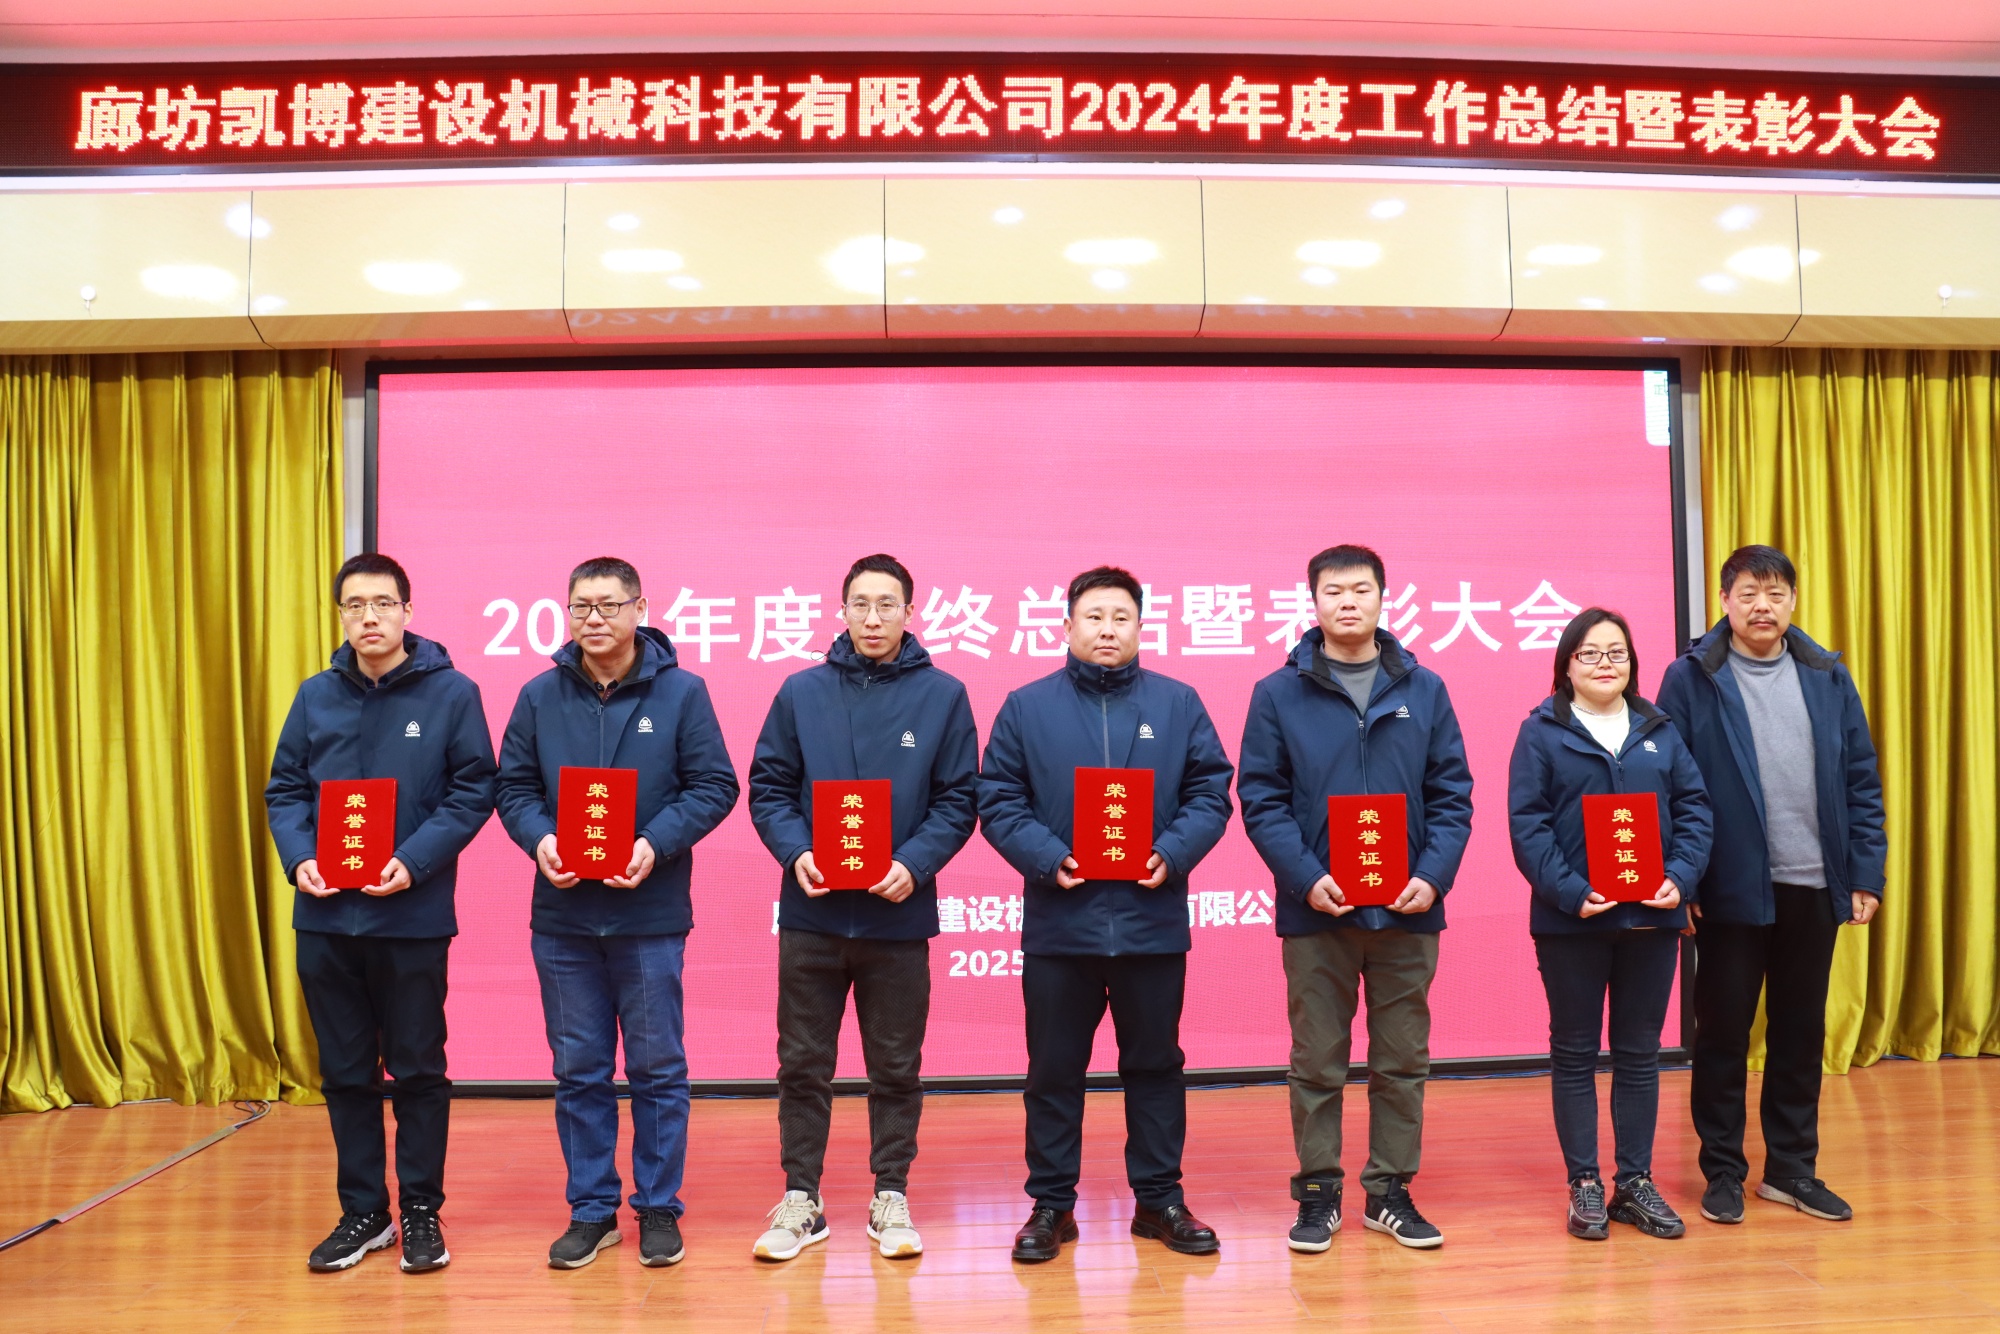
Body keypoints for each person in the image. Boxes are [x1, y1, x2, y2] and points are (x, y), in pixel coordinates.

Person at [978, 566, 1235, 1263]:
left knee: (1156, 1066)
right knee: (1053, 1070)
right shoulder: (1027, 707)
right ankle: (1051, 1205)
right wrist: (1048, 856)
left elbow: (1211, 792)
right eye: (1093, 617)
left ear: (1141, 627)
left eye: (1121, 617)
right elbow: (997, 797)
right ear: (1067, 626)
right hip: (1061, 924)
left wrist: (1171, 853)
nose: (1107, 630)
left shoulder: (1178, 703)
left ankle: (1159, 1200)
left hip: (1151, 921)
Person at [495, 556, 739, 1270]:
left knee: (658, 1068)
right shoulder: (539, 695)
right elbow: (512, 787)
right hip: (564, 916)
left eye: (608, 605)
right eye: (581, 607)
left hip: (649, 913)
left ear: (640, 609)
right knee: (579, 1070)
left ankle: (658, 1206)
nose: (593, 619)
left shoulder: (683, 692)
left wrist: (653, 844)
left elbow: (714, 785)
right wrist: (540, 839)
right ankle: (591, 1210)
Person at [265, 552, 498, 1275]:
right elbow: (285, 790)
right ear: (341, 615)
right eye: (354, 605)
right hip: (326, 919)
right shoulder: (315, 696)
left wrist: (415, 861)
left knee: (419, 1070)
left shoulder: (452, 692)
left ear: (407, 611)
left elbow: (474, 789)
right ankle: (364, 1212)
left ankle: (421, 1210)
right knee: (344, 1074)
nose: (369, 617)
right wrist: (299, 857)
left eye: (382, 604)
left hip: (411, 917)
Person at [1237, 544, 1473, 1252]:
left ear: (1381, 598)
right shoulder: (1278, 693)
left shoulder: (1424, 688)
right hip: (1317, 908)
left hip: (1408, 907)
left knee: (1402, 1059)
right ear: (1313, 602)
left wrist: (1432, 875)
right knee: (1318, 1060)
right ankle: (1318, 1192)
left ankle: (1390, 1191)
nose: (1348, 602)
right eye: (1334, 591)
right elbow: (1261, 798)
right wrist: (1306, 878)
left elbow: (1452, 794)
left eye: (1361, 589)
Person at [745, 554, 981, 1261]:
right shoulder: (801, 691)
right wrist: (796, 850)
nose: (872, 618)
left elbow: (959, 797)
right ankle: (802, 1198)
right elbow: (769, 786)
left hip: (897, 916)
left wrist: (915, 863)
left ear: (910, 612)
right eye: (860, 604)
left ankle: (891, 1194)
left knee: (896, 1066)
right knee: (802, 1064)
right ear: (841, 610)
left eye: (886, 605)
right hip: (813, 913)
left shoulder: (944, 696)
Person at [1658, 545, 1886, 1226]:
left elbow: (1861, 780)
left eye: (1776, 593)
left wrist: (1864, 872)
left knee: (1799, 1033)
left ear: (1792, 601)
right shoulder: (1691, 676)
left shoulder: (1826, 674)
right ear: (1724, 601)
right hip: (1728, 888)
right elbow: (1669, 786)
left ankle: (1791, 1170)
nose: (1763, 606)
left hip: (1814, 884)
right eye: (1749, 593)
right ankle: (1723, 1171)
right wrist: (1684, 878)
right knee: (1722, 1034)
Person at [1507, 607, 1713, 1241]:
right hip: (1571, 921)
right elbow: (1528, 824)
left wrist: (1680, 877)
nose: (1605, 664)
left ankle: (1635, 1183)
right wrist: (1571, 892)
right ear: (1566, 665)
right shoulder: (1541, 731)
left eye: (1617, 652)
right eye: (1590, 653)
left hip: (1652, 919)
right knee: (1574, 1051)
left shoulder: (1659, 729)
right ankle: (1585, 1184)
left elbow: (1695, 809)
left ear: (1632, 662)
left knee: (1639, 1052)